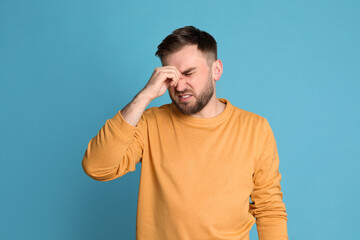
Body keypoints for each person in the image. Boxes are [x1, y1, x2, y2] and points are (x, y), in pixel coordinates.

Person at [82, 26, 288, 240]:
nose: (179, 86)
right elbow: (96, 167)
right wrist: (144, 96)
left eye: (189, 73)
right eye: (170, 76)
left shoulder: (255, 128)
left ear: (216, 70)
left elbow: (269, 210)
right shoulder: (151, 124)